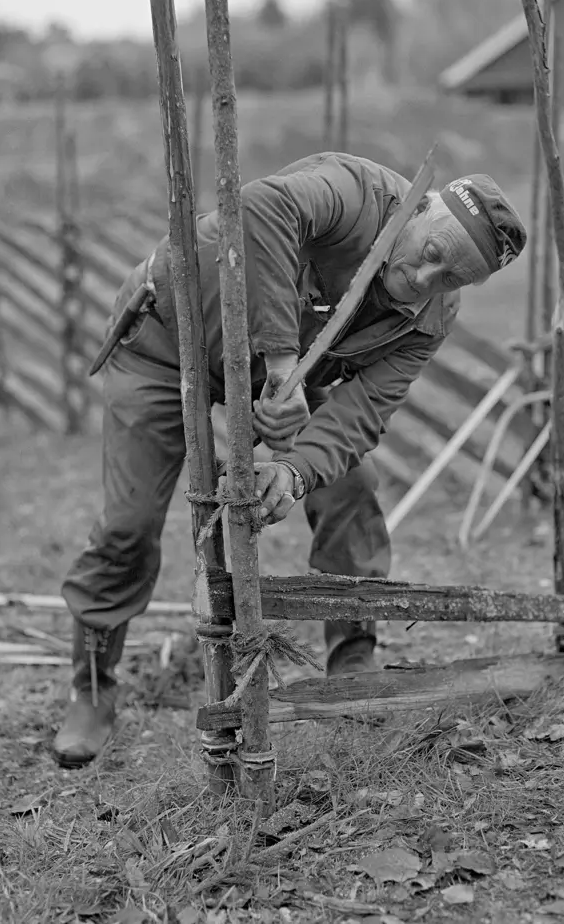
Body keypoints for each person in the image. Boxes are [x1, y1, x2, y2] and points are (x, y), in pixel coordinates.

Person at [53, 151, 527, 767]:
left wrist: (295, 470)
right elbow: (258, 206)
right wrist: (281, 364)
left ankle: (352, 656)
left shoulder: (430, 316)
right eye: (432, 253)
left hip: (288, 371)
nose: (427, 279)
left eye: (454, 278)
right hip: (168, 343)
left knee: (353, 488)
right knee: (129, 523)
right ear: (421, 206)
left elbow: (363, 412)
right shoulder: (354, 192)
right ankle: (91, 686)